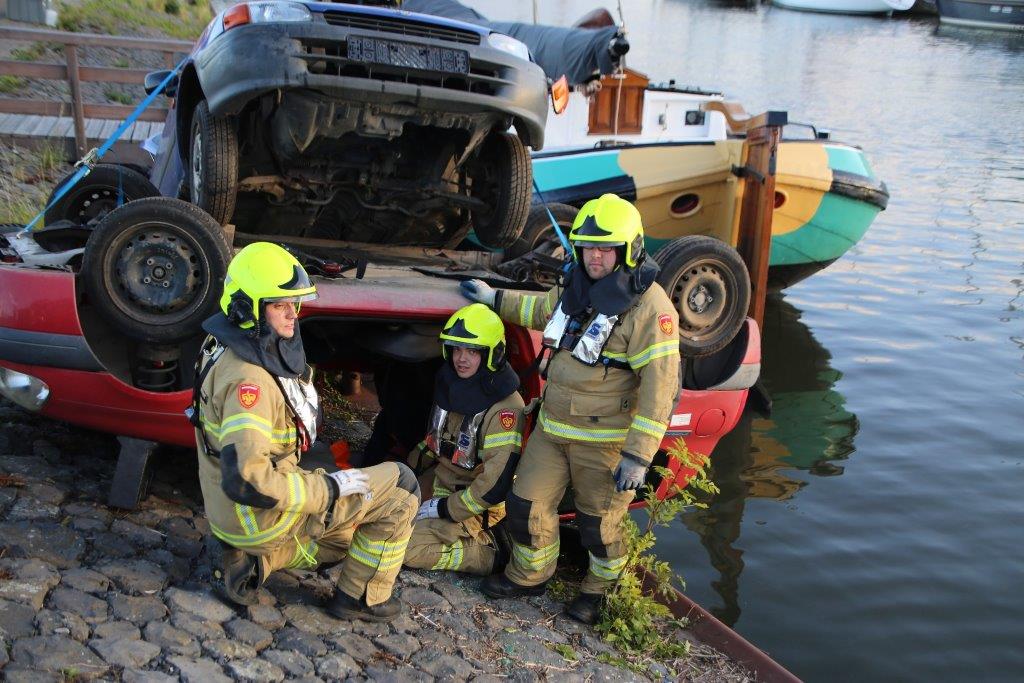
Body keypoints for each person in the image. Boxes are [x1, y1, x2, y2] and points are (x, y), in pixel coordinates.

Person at [460, 193, 681, 624]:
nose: (594, 257)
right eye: (587, 247)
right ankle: (530, 574)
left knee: (599, 524)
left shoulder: (651, 308)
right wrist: (493, 299)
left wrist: (638, 457)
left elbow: (660, 388)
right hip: (553, 426)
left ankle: (599, 592)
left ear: (629, 250)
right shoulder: (574, 284)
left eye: (604, 249)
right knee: (524, 505)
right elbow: (541, 311)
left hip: (604, 440)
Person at [191, 241, 419, 622]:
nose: (293, 315)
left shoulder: (222, 345)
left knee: (348, 538)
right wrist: (330, 489)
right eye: (280, 305)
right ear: (249, 307)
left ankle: (251, 567)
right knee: (402, 487)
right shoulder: (251, 381)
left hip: (231, 515)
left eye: (294, 304)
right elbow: (248, 480)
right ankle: (361, 599)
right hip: (256, 515)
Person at [401, 303, 525, 575]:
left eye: (472, 351)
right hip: (440, 481)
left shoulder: (505, 407)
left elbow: (494, 484)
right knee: (381, 517)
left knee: (407, 549)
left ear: (493, 354)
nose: (461, 358)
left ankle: (488, 554)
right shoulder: (452, 382)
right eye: (457, 349)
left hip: (473, 503)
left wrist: (447, 509)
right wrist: (404, 475)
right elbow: (437, 441)